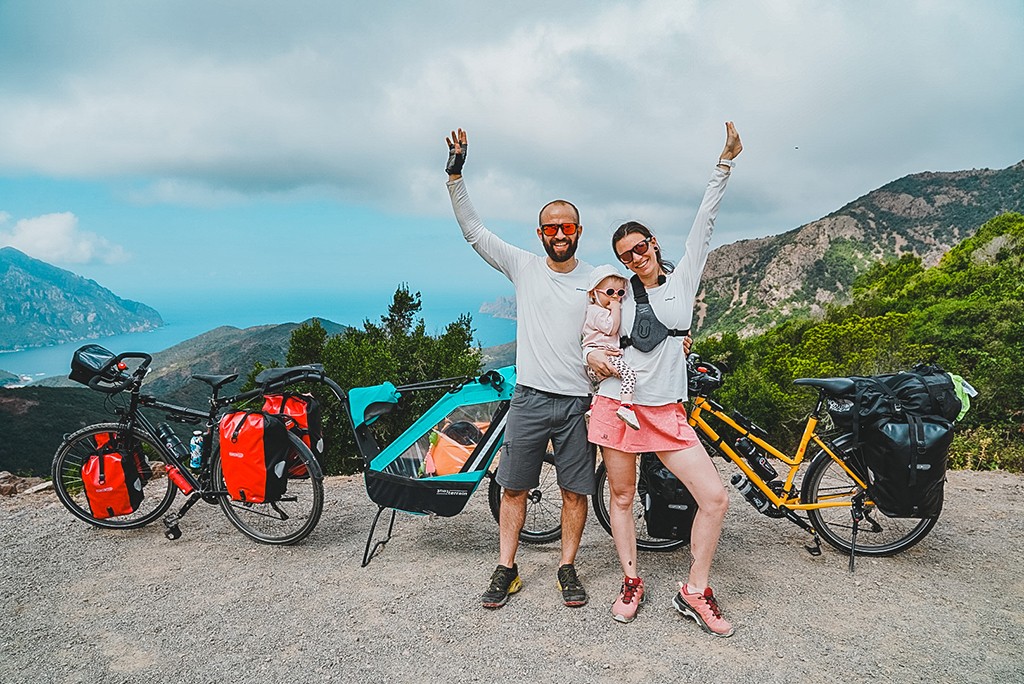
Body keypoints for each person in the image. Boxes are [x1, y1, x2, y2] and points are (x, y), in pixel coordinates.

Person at [587, 122, 743, 634]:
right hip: (619, 406)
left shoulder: (683, 279)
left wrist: (724, 163)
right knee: (623, 498)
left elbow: (706, 220)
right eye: (626, 256)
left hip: (666, 411)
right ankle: (631, 580)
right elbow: (591, 334)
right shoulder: (619, 295)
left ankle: (695, 589)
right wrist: (596, 361)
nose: (636, 258)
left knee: (714, 499)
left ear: (653, 243)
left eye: (640, 247)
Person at [445, 127, 595, 609]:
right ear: (539, 234)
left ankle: (566, 567)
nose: (558, 234)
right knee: (513, 488)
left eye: (566, 227)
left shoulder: (598, 279)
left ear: (577, 231)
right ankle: (506, 567)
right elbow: (475, 233)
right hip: (529, 397)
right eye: (550, 227)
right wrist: (455, 176)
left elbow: (636, 312)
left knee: (576, 492)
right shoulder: (524, 266)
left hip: (578, 403)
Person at [581, 265, 639, 430]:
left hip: (600, 361)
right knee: (629, 375)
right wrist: (615, 309)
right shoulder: (595, 311)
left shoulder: (599, 310)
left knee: (601, 386)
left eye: (620, 293)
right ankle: (626, 407)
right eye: (610, 292)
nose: (615, 297)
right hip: (605, 358)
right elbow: (611, 328)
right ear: (593, 293)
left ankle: (593, 409)